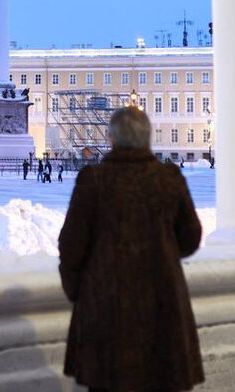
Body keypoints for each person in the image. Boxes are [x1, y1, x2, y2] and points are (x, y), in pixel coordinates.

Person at [59, 106, 204, 392]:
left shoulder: (94, 181)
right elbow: (190, 239)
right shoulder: (168, 179)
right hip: (162, 307)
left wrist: (81, 292)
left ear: (111, 139)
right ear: (148, 139)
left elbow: (71, 246)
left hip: (104, 309)